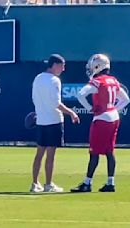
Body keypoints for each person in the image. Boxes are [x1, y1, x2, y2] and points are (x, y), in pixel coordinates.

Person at [71, 54, 130, 193]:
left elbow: (80, 95)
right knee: (110, 152)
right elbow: (126, 99)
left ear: (98, 66)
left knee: (94, 152)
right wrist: (114, 109)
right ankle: (110, 183)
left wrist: (90, 108)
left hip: (101, 118)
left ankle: (87, 183)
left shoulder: (98, 81)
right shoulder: (113, 81)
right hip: (114, 117)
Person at [30, 54, 80, 193]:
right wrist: (71, 112)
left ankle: (35, 184)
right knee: (50, 154)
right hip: (53, 121)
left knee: (40, 153)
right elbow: (56, 103)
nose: (63, 69)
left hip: (41, 121)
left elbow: (35, 99)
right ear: (55, 65)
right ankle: (48, 184)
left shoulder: (38, 78)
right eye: (62, 65)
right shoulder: (54, 80)